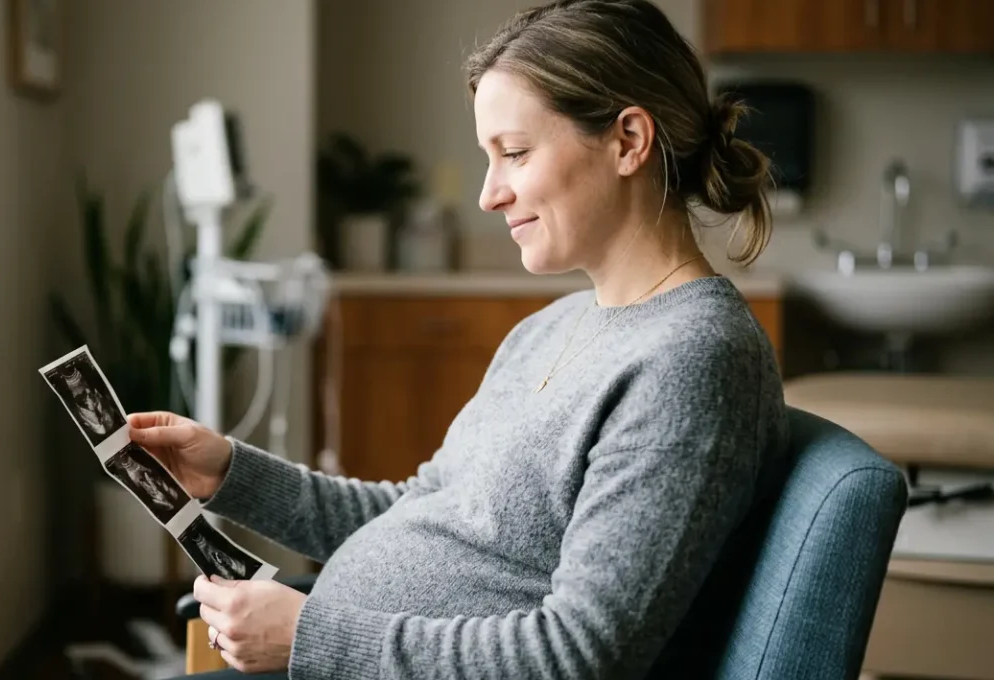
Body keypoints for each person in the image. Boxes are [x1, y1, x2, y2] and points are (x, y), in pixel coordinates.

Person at [133, 1, 789, 677]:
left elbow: (580, 655)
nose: (488, 194)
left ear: (628, 140)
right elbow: (419, 511)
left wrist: (311, 636)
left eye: (514, 152)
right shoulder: (551, 327)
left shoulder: (692, 362)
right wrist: (232, 474)